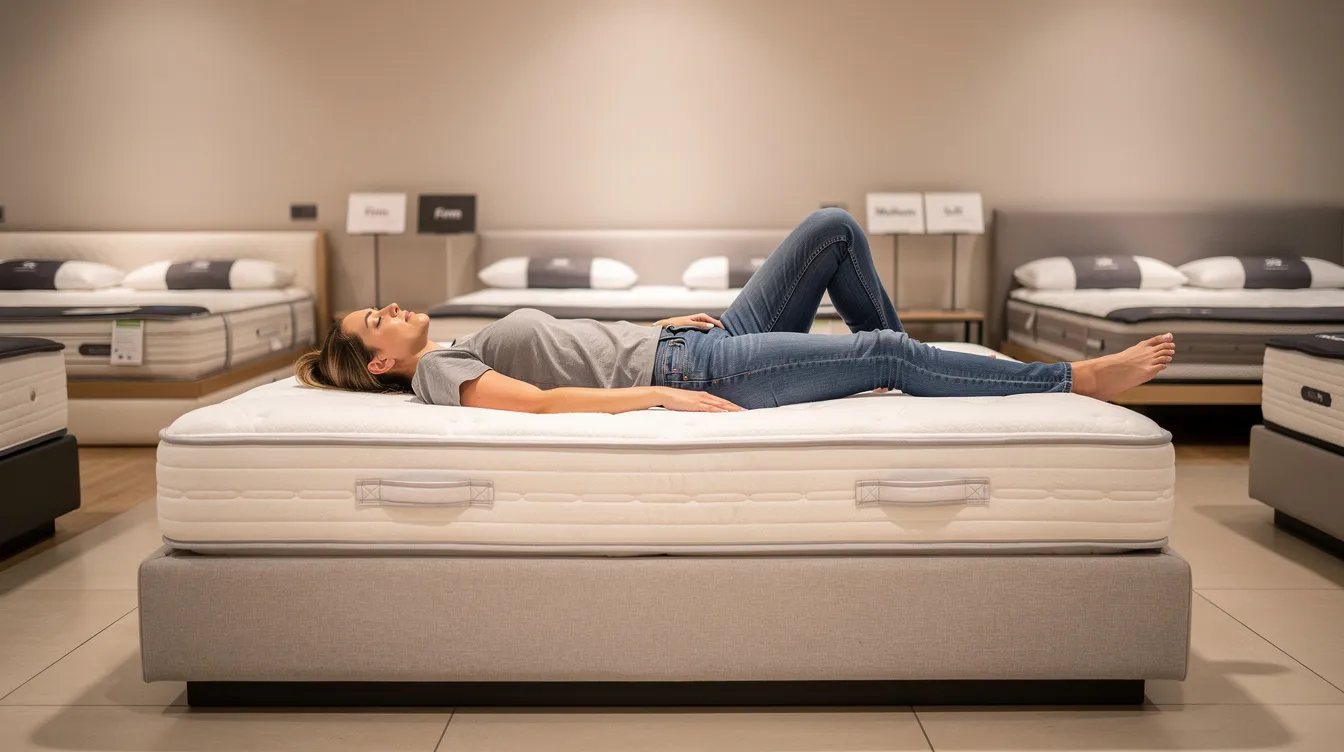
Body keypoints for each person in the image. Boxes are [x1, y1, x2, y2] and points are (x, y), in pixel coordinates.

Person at [296, 208, 1175, 413]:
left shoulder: (449, 343)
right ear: (383, 363)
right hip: (699, 372)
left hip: (695, 340)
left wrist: (664, 329)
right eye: (376, 320)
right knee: (879, 350)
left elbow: (577, 346)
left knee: (833, 229)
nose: (389, 308)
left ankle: (904, 370)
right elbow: (546, 403)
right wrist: (658, 391)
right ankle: (1074, 380)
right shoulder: (440, 373)